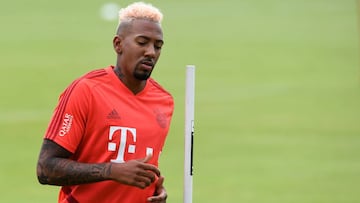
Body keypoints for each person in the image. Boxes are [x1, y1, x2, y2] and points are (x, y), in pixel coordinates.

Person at [36, 2, 174, 203]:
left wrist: (154, 191)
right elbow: (45, 169)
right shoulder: (86, 90)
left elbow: (140, 172)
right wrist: (111, 170)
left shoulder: (164, 101)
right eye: (142, 42)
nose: (151, 52)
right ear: (118, 44)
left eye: (158, 46)